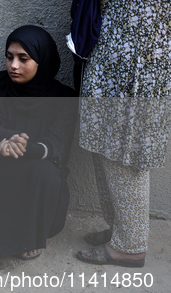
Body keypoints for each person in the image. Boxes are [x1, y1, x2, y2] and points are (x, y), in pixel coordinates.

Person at [0, 25, 77, 259]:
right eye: (9, 57)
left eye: (23, 59)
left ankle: (29, 237)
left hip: (37, 164)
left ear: (41, 60)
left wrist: (23, 146)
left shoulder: (64, 97)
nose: (13, 65)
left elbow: (55, 147)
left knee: (45, 172)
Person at [76, 1, 170, 267]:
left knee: (125, 151)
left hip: (138, 61)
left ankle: (130, 245)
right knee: (104, 144)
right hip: (114, 52)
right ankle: (122, 229)